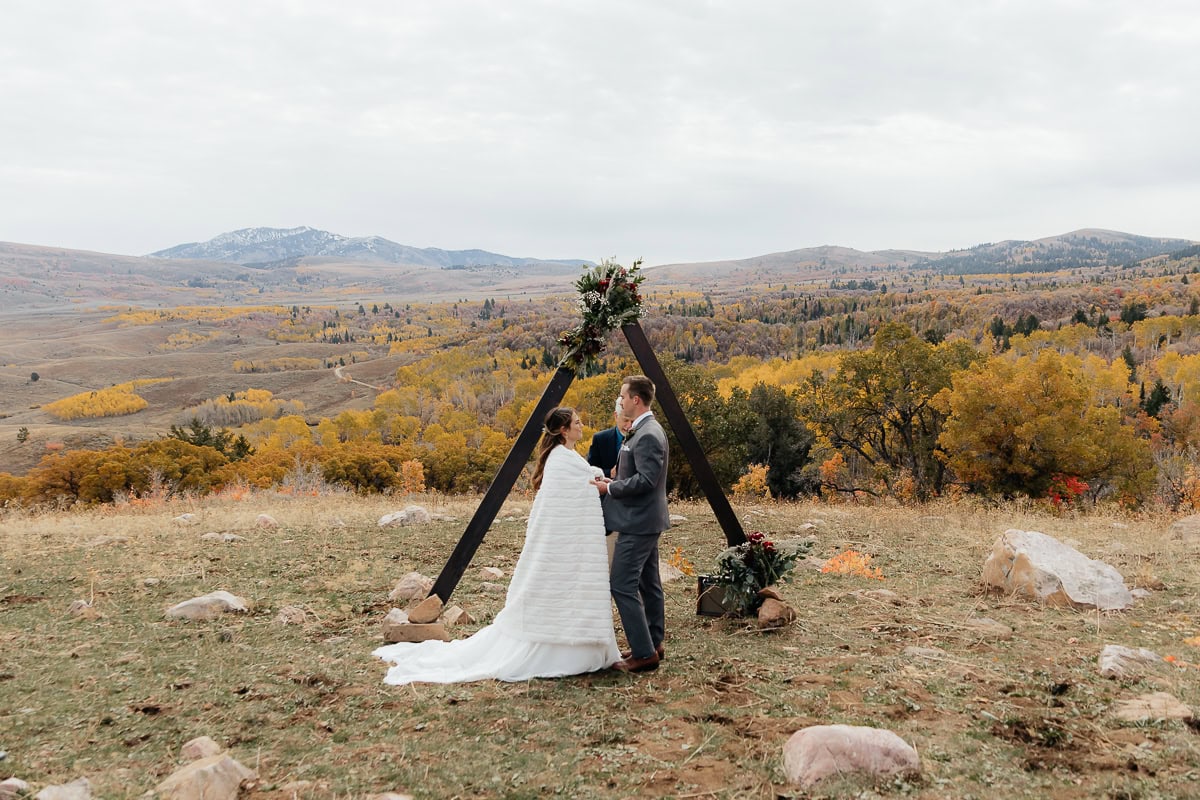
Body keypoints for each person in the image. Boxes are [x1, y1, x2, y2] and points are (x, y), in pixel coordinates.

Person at [373, 407, 620, 684]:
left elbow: (581, 481)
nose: (581, 425)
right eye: (577, 422)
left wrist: (597, 479)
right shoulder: (559, 460)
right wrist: (595, 482)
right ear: (563, 430)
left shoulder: (566, 457)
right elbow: (567, 495)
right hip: (560, 542)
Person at [596, 375, 670, 674]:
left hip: (638, 521)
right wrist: (613, 480)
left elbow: (647, 481)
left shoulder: (648, 433)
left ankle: (643, 654)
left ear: (636, 400)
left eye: (623, 396)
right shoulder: (643, 430)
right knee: (648, 584)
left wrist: (610, 489)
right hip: (644, 519)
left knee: (621, 584)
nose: (621, 401)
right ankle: (653, 642)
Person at [587, 396, 626, 478]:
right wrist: (610, 473)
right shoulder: (600, 439)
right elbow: (590, 471)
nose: (629, 425)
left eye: (633, 420)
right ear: (616, 416)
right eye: (625, 420)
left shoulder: (642, 438)